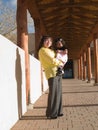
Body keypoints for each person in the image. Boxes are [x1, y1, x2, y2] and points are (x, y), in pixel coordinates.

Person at [38, 35, 64, 119]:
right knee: (53, 93)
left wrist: (59, 61)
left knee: (59, 92)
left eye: (50, 41)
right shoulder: (42, 50)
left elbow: (57, 58)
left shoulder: (51, 50)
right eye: (46, 40)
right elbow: (52, 60)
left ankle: (59, 111)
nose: (48, 42)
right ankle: (51, 113)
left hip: (58, 72)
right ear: (43, 41)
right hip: (51, 73)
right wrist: (60, 62)